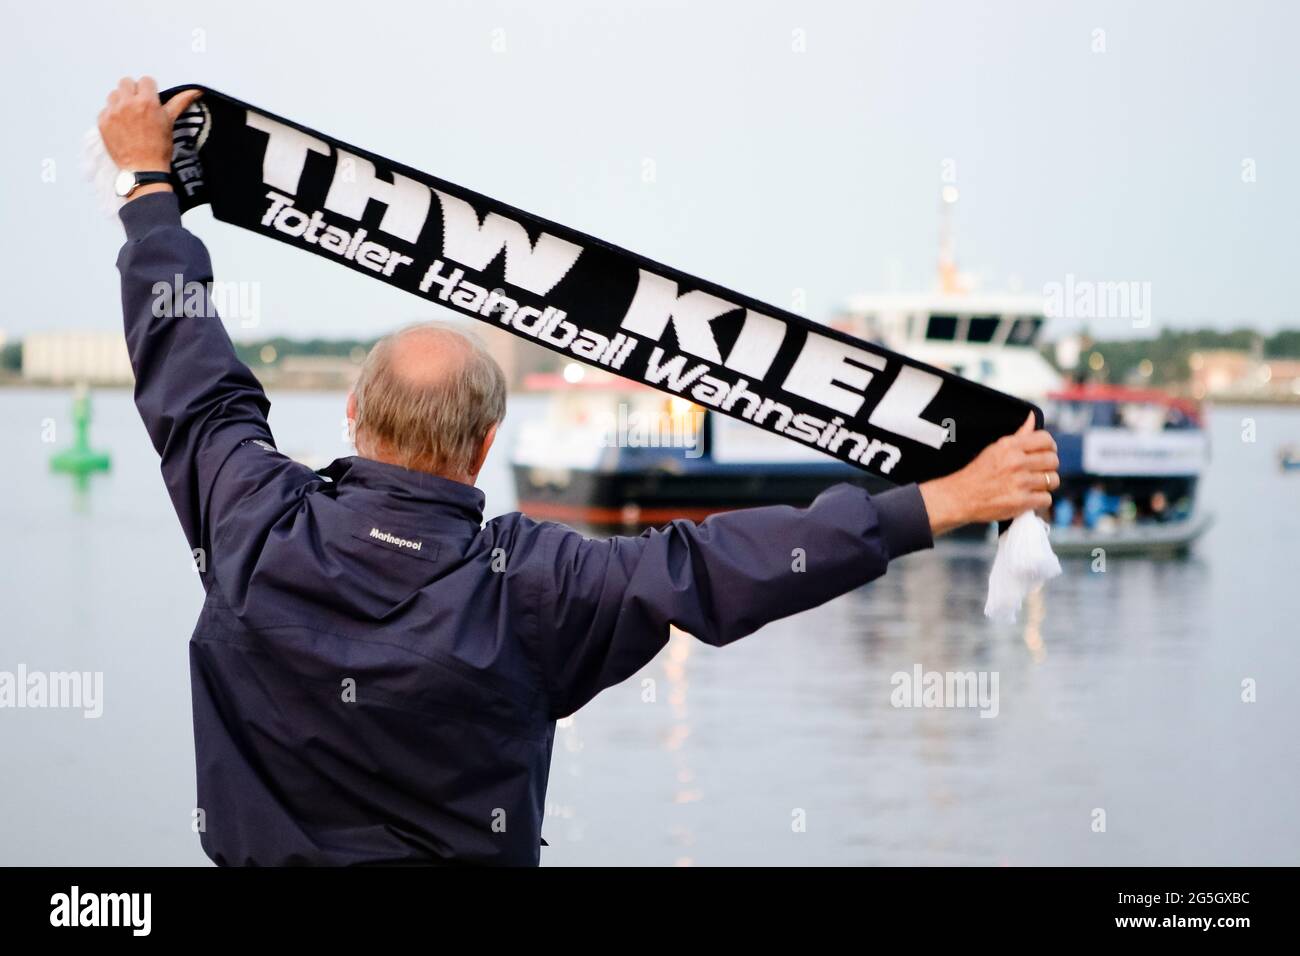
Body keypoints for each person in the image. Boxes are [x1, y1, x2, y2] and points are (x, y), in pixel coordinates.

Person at [99, 77, 1059, 865]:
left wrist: (149, 191)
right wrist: (941, 503)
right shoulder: (536, 586)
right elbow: (726, 564)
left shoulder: (251, 517)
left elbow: (191, 374)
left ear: (351, 416)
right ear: (485, 447)